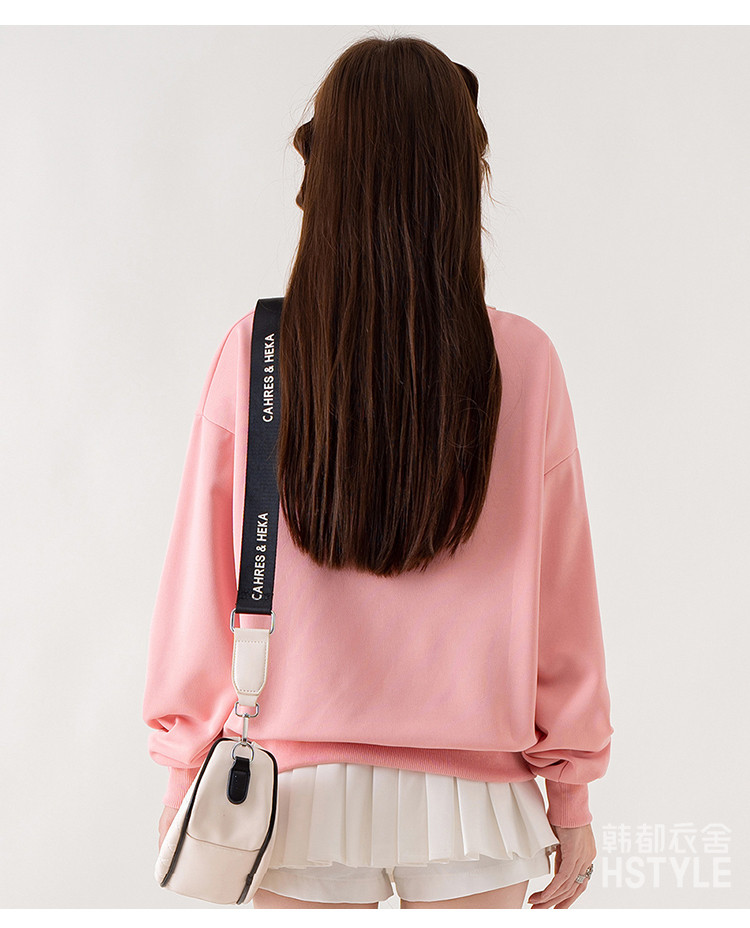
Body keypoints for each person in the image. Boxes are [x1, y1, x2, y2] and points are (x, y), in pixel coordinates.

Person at [142, 34, 614, 910]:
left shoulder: (260, 352)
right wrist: (572, 794)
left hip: (293, 791)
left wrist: (183, 770)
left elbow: (201, 581)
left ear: (324, 174)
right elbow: (563, 601)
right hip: (478, 798)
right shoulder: (523, 360)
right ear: (460, 177)